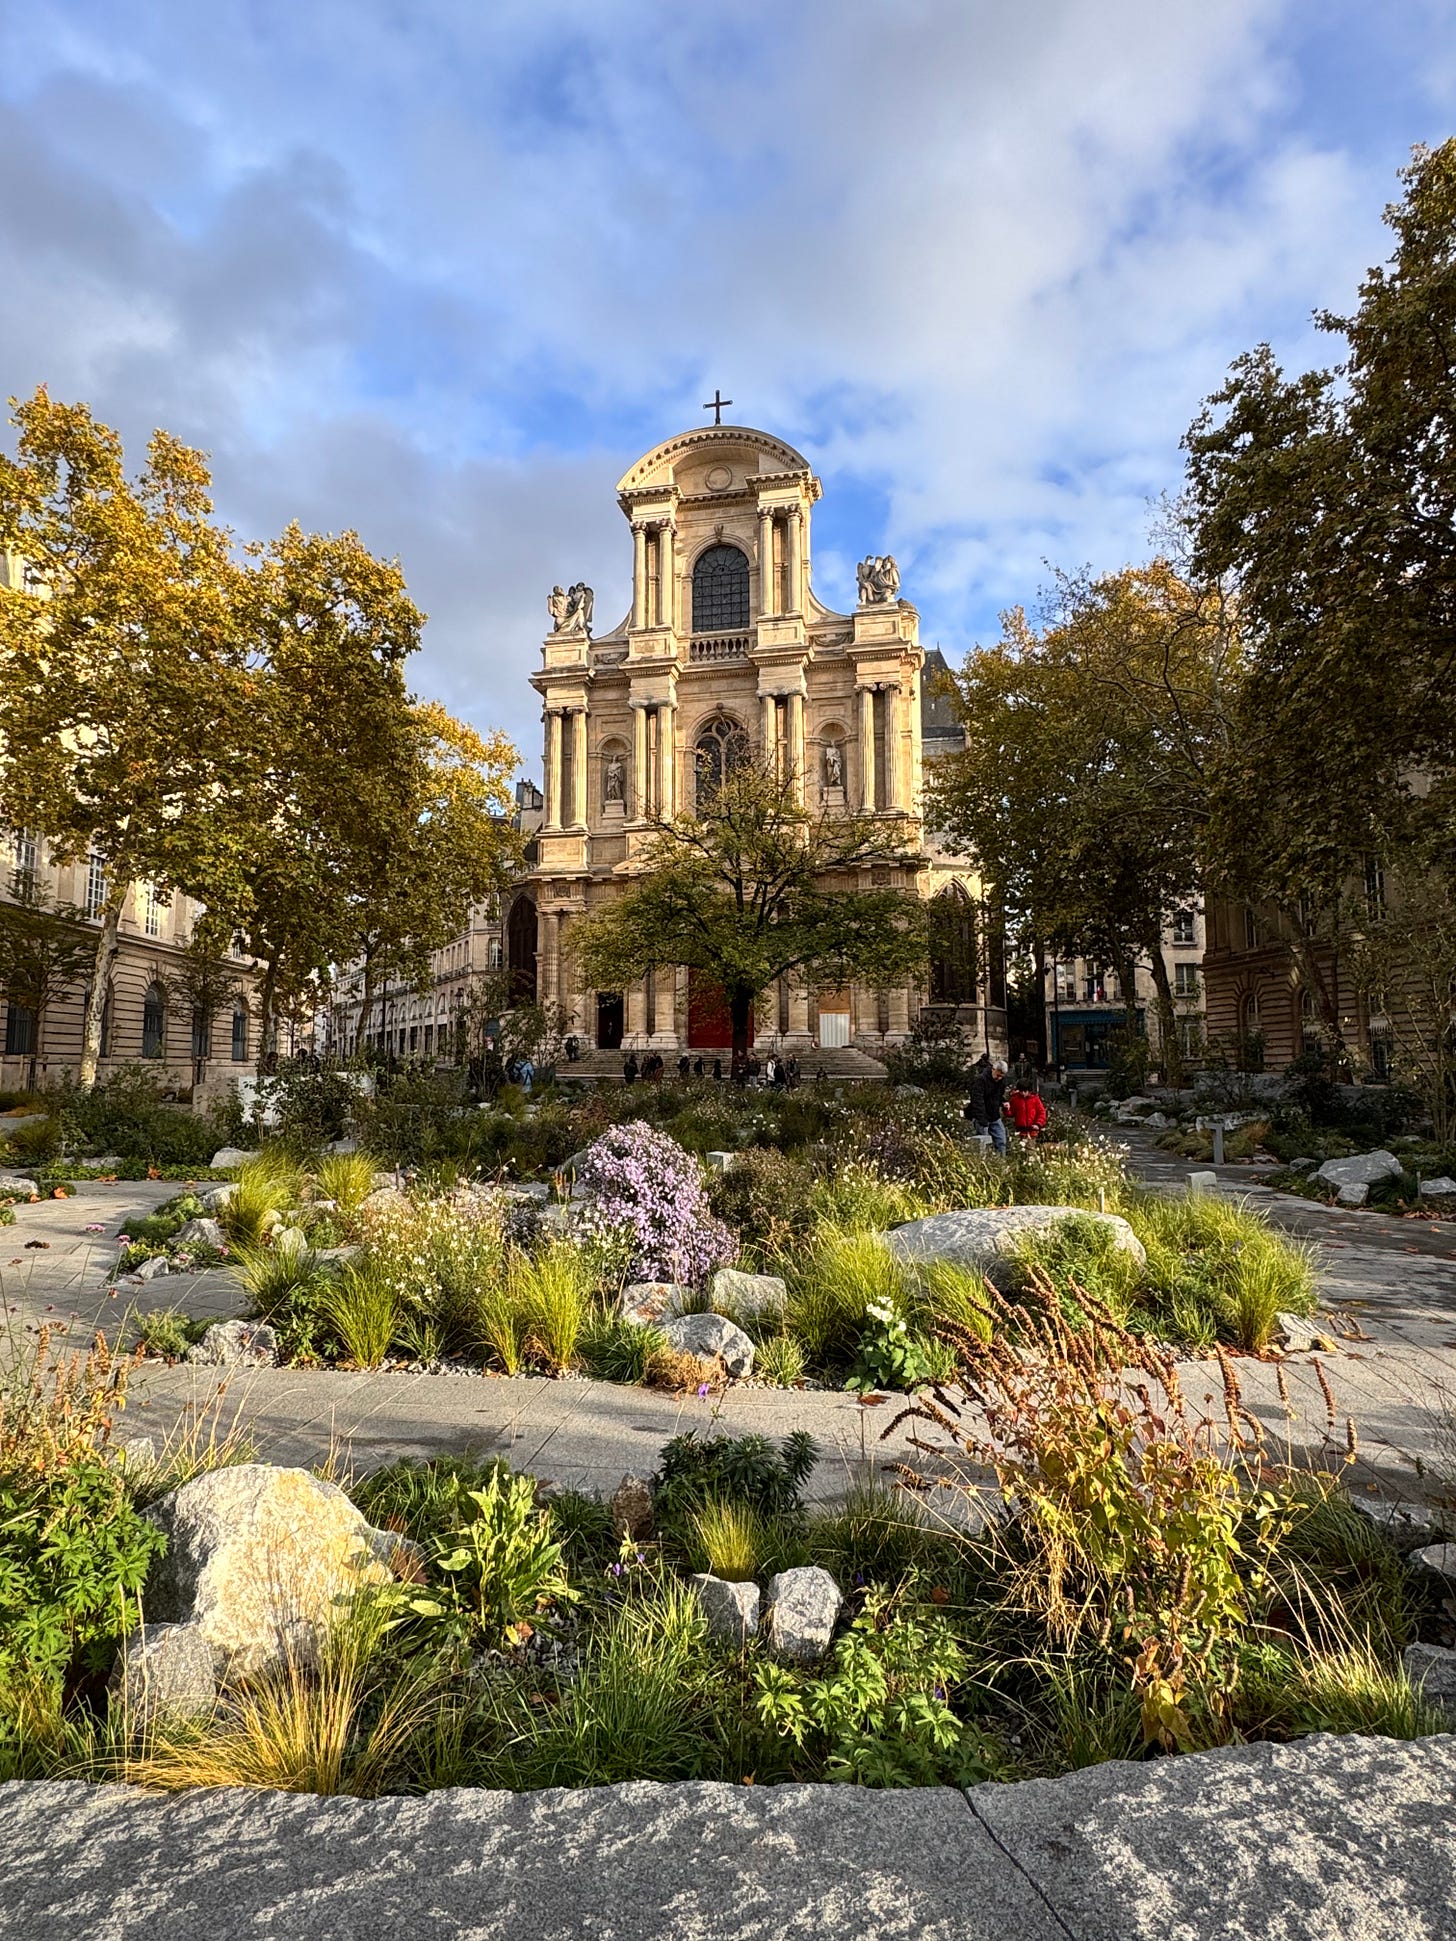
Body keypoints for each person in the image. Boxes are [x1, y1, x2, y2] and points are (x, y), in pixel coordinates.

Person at [965, 1057, 1009, 1155]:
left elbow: (998, 1096)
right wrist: (981, 1119)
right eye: (998, 1075)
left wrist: (1003, 1102)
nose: (999, 1078)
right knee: (983, 1144)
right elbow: (977, 1101)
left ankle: (1001, 1163)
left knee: (1001, 1141)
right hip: (982, 1116)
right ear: (993, 1069)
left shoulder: (1001, 1082)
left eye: (1002, 1076)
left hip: (994, 1116)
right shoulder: (981, 1080)